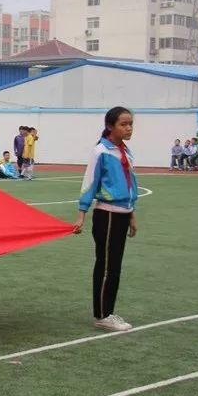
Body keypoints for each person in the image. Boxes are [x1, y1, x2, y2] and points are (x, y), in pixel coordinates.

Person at [74, 107, 138, 332]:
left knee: (115, 266)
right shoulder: (101, 151)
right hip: (107, 215)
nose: (129, 128)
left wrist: (132, 213)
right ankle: (103, 314)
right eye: (123, 124)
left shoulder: (125, 152)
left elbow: (130, 183)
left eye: (130, 124)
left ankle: (108, 311)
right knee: (107, 266)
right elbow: (89, 182)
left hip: (121, 214)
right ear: (111, 126)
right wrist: (82, 214)